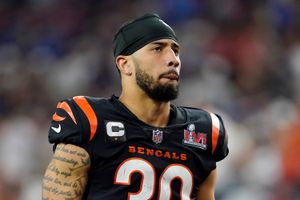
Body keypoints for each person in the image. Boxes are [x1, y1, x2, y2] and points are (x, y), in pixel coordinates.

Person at [42, 13, 229, 200]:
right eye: (157, 49)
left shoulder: (205, 130)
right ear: (125, 65)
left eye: (176, 50)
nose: (174, 60)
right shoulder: (88, 118)